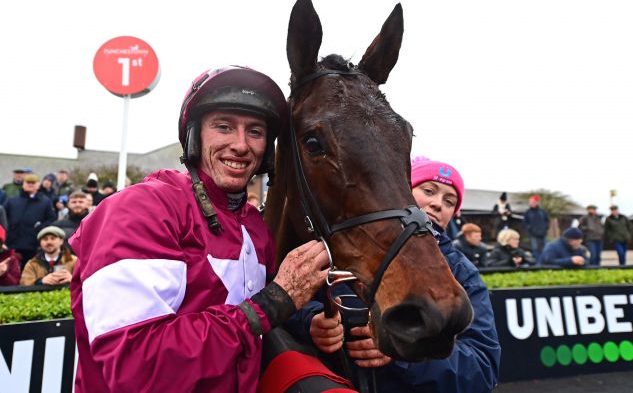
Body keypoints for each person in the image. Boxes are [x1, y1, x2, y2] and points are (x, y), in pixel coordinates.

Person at [70, 66, 330, 392]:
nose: (240, 145)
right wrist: (274, 302)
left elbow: (260, 300)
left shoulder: (253, 224)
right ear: (194, 135)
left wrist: (309, 322)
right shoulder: (139, 210)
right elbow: (137, 368)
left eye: (255, 132)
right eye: (223, 127)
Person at [289, 156, 500, 392]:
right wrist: (311, 321)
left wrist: (404, 355)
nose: (438, 204)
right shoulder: (342, 244)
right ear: (399, 189)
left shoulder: (463, 273)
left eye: (449, 201)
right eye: (429, 190)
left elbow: (482, 369)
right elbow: (286, 305)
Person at [4, 174, 57, 269]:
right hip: (12, 243)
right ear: (23, 184)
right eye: (28, 182)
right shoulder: (12, 201)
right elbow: (3, 219)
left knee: (28, 271)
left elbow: (51, 219)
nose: (30, 185)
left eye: (33, 183)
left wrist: (40, 228)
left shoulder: (45, 202)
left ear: (38, 185)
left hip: (33, 245)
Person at [523, 195, 549, 263]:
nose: (531, 203)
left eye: (533, 202)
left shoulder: (542, 212)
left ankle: (545, 262)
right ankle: (538, 263)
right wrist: (531, 230)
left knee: (545, 248)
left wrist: (545, 229)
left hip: (543, 234)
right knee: (535, 249)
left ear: (537, 202)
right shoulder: (527, 213)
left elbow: (547, 221)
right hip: (533, 234)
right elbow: (525, 223)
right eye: (530, 202)